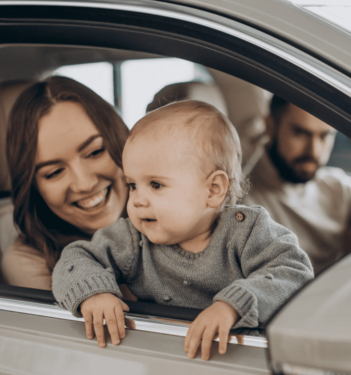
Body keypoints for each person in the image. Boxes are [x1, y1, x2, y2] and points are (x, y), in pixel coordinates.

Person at [52, 100, 314, 360]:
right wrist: (94, 292)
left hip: (236, 358)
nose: (138, 200)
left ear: (212, 190)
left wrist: (233, 305)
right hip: (161, 357)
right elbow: (76, 257)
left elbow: (293, 272)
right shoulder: (134, 239)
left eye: (155, 185)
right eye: (132, 185)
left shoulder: (246, 230)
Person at [243, 95, 351, 274]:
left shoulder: (335, 186)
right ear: (270, 126)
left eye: (324, 135)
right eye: (300, 132)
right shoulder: (242, 203)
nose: (314, 150)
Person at [2, 76, 130, 290]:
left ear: (122, 141)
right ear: (34, 187)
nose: (84, 184)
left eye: (95, 152)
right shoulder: (30, 263)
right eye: (54, 172)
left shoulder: (183, 215)